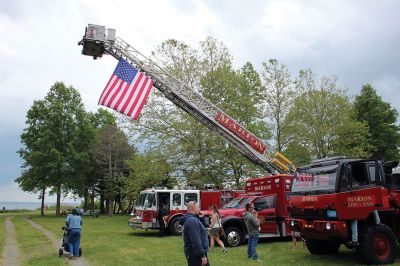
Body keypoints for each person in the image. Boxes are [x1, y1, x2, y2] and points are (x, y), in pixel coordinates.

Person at [181, 201, 209, 266]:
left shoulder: (193, 219)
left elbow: (200, 231)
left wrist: (201, 218)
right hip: (196, 256)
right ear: (193, 208)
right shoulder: (191, 220)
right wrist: (202, 255)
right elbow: (195, 239)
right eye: (198, 207)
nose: (199, 209)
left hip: (196, 254)